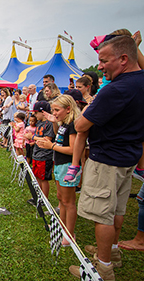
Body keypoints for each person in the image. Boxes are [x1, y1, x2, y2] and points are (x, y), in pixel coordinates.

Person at [69, 35, 144, 280]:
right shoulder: (140, 80)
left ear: (123, 59)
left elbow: (80, 126)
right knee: (117, 209)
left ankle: (102, 268)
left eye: (103, 61)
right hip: (129, 157)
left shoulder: (115, 90)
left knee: (102, 215)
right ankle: (112, 252)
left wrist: (87, 110)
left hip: (107, 161)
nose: (99, 67)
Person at [36, 95, 80, 246]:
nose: (54, 113)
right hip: (60, 163)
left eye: (57, 110)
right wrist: (55, 123)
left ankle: (70, 233)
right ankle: (63, 226)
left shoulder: (73, 125)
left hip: (68, 165)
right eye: (52, 110)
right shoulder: (63, 124)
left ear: (68, 109)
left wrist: (51, 146)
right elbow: (57, 135)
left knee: (69, 201)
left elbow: (73, 149)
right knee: (61, 198)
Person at [24, 101, 55, 204]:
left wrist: (32, 137)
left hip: (45, 155)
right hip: (37, 153)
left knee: (43, 178)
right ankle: (38, 196)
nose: (35, 115)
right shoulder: (40, 123)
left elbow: (47, 139)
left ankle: (44, 199)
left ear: (43, 112)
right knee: (37, 176)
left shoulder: (49, 124)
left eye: (36, 113)